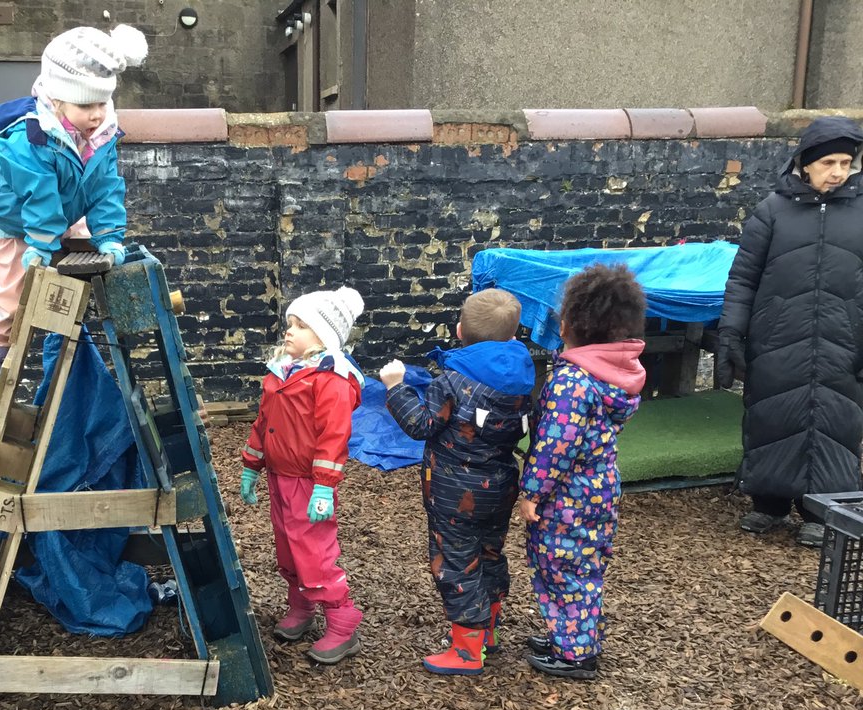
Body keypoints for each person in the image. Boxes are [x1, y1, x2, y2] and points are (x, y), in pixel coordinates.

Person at [0, 23, 148, 389]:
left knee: (85, 258)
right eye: (86, 105)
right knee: (9, 289)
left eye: (103, 102)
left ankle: (74, 338)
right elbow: (39, 193)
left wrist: (110, 236)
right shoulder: (28, 135)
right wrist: (41, 244)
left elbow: (105, 187)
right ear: (59, 98)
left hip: (62, 214)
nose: (97, 114)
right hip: (12, 220)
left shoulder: (98, 136)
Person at [716, 115, 863, 549]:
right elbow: (743, 279)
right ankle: (770, 504)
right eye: (829, 163)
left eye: (846, 163)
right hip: (778, 338)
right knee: (773, 417)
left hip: (843, 340)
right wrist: (731, 335)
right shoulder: (772, 211)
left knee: (836, 422)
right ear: (804, 163)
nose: (838, 172)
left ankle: (820, 509)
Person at [378, 289, 535, 675]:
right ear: (514, 336)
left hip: (454, 492)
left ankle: (467, 650)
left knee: (456, 563)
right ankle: (488, 631)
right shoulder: (524, 375)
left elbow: (420, 425)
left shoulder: (450, 380)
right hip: (500, 485)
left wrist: (395, 386)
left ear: (459, 330)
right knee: (490, 553)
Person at [518, 264, 646, 680]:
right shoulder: (611, 376)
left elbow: (556, 446)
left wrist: (532, 492)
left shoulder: (572, 381)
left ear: (570, 324)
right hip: (598, 491)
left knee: (563, 569)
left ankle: (575, 654)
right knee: (581, 568)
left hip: (567, 499)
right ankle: (569, 636)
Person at [240, 287, 366, 664]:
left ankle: (343, 622)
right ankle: (302, 606)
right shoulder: (282, 373)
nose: (289, 331)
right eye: (290, 324)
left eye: (301, 326)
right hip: (281, 478)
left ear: (325, 336)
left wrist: (324, 487)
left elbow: (334, 435)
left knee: (313, 551)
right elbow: (264, 423)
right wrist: (251, 466)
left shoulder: (331, 379)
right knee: (289, 548)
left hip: (308, 483)